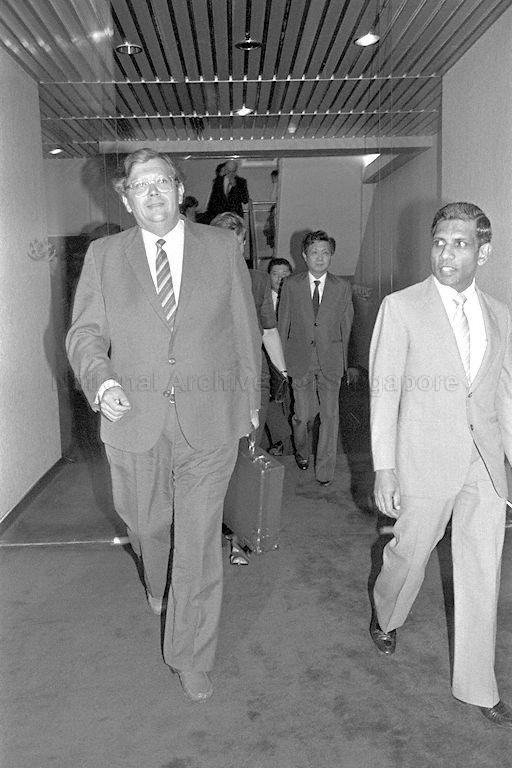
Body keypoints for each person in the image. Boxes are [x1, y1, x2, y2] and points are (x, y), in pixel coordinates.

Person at [66, 148, 261, 703]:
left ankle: (191, 655)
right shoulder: (105, 255)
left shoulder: (222, 247)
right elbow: (85, 334)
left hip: (210, 421)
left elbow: (244, 327)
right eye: (139, 186)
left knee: (198, 543)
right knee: (147, 524)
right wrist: (103, 383)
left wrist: (250, 402)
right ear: (125, 199)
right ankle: (159, 581)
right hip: (134, 420)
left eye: (161, 183)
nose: (152, 194)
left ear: (180, 190)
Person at [369, 202, 512, 728]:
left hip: (483, 464)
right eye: (440, 242)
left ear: (484, 252)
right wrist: (385, 467)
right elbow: (384, 393)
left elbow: (504, 396)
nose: (447, 253)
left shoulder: (501, 314)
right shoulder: (401, 307)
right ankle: (386, 614)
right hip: (423, 458)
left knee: (481, 570)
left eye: (461, 244)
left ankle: (478, 685)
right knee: (409, 553)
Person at [210, 212, 288, 565]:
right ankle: (209, 532)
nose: (232, 249)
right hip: (207, 385)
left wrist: (282, 372)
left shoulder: (257, 282)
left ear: (244, 244)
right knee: (211, 462)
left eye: (237, 242)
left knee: (247, 455)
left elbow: (268, 330)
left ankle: (238, 538)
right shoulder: (192, 279)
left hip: (250, 381)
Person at [278, 231, 354, 485]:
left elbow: (346, 327)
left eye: (325, 253)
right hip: (299, 360)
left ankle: (325, 471)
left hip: (330, 361)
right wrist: (281, 364)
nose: (320, 258)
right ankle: (301, 450)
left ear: (331, 256)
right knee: (303, 415)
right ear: (304, 256)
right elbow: (282, 325)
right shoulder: (291, 285)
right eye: (314, 252)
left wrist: (345, 364)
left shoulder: (342, 287)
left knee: (330, 417)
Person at [266, 258, 294, 456]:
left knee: (293, 402)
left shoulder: (299, 298)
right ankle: (282, 439)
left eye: (285, 274)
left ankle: (291, 439)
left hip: (294, 357)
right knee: (272, 401)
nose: (281, 278)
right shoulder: (262, 299)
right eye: (276, 274)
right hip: (268, 358)